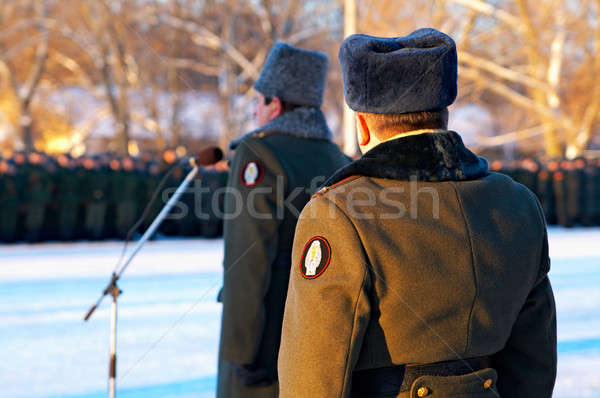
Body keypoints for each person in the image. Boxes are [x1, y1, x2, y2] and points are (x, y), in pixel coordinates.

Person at [278, 29, 557, 398]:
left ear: (362, 124)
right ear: (442, 114)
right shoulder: (519, 202)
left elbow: (312, 377)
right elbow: (534, 361)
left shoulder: (340, 212)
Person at [217, 42, 350, 398]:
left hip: (265, 342)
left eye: (257, 103)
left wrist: (241, 352)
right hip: (320, 343)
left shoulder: (259, 152)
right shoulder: (339, 159)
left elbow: (248, 261)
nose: (255, 114)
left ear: (274, 105)